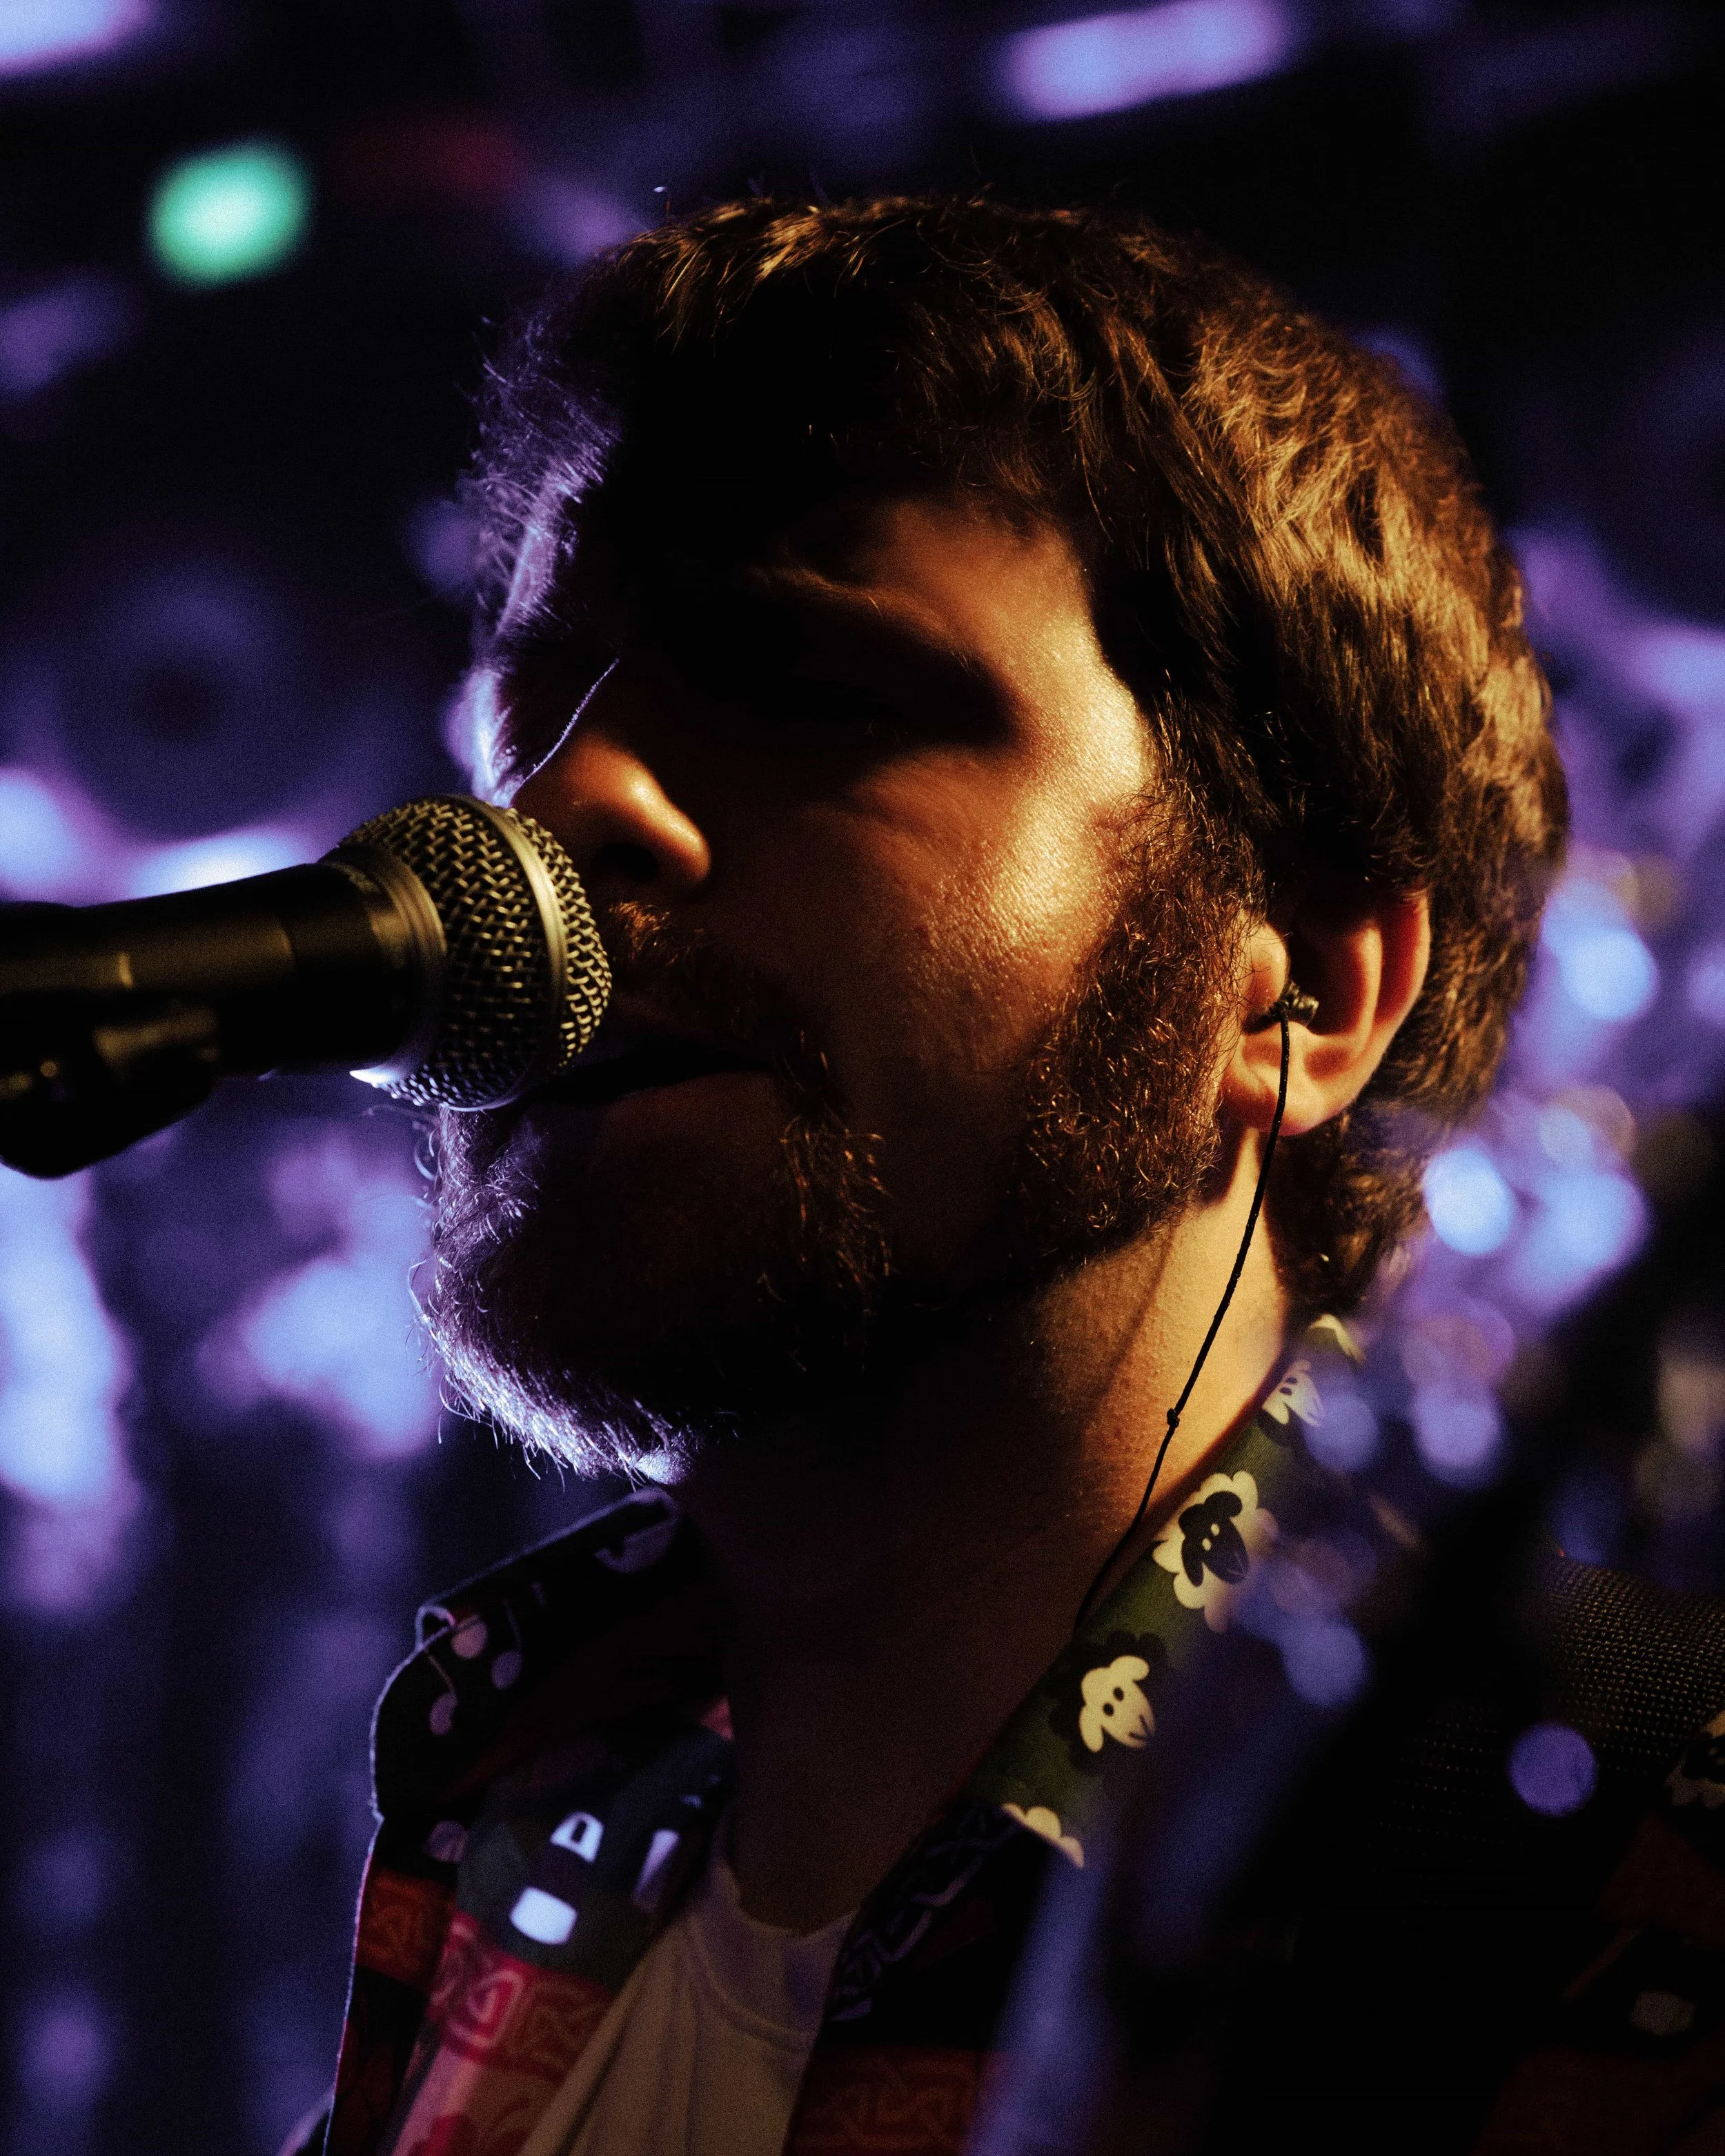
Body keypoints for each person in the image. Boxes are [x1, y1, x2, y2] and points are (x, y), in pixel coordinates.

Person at [288, 194, 1702, 2156]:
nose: (559, 817)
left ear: (1290, 990)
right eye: (532, 720)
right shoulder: (521, 1772)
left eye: (811, 693)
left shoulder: (1619, 1821)